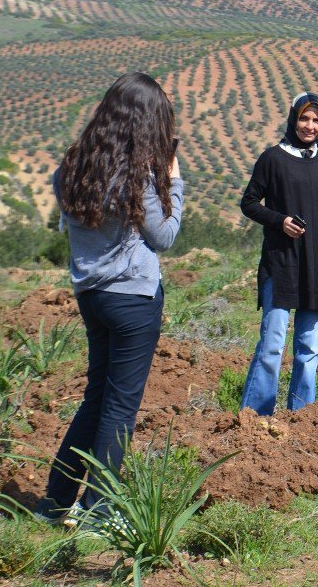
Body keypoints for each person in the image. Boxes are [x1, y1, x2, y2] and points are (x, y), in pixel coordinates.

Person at [34, 72, 183, 524]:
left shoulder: (74, 167)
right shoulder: (138, 174)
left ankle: (55, 502)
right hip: (133, 298)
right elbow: (165, 236)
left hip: (90, 295)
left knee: (96, 398)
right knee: (120, 407)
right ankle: (99, 511)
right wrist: (174, 181)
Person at [239, 92, 318, 414]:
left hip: (314, 266)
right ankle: (255, 417)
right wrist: (279, 220)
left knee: (308, 349)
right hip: (282, 262)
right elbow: (249, 203)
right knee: (272, 347)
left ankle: (303, 420)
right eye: (304, 118)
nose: (309, 126)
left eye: (316, 120)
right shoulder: (272, 159)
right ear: (292, 119)